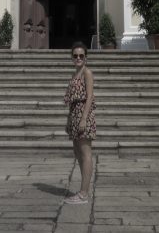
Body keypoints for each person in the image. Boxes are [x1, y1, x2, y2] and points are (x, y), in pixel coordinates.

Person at [64, 41, 96, 205]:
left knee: (85, 153)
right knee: (78, 153)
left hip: (84, 116)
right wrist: (70, 120)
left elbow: (89, 97)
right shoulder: (74, 74)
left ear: (86, 58)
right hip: (74, 115)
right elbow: (71, 99)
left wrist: (83, 118)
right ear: (72, 58)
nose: (78, 58)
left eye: (81, 56)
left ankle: (84, 193)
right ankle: (83, 190)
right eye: (75, 56)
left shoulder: (87, 73)